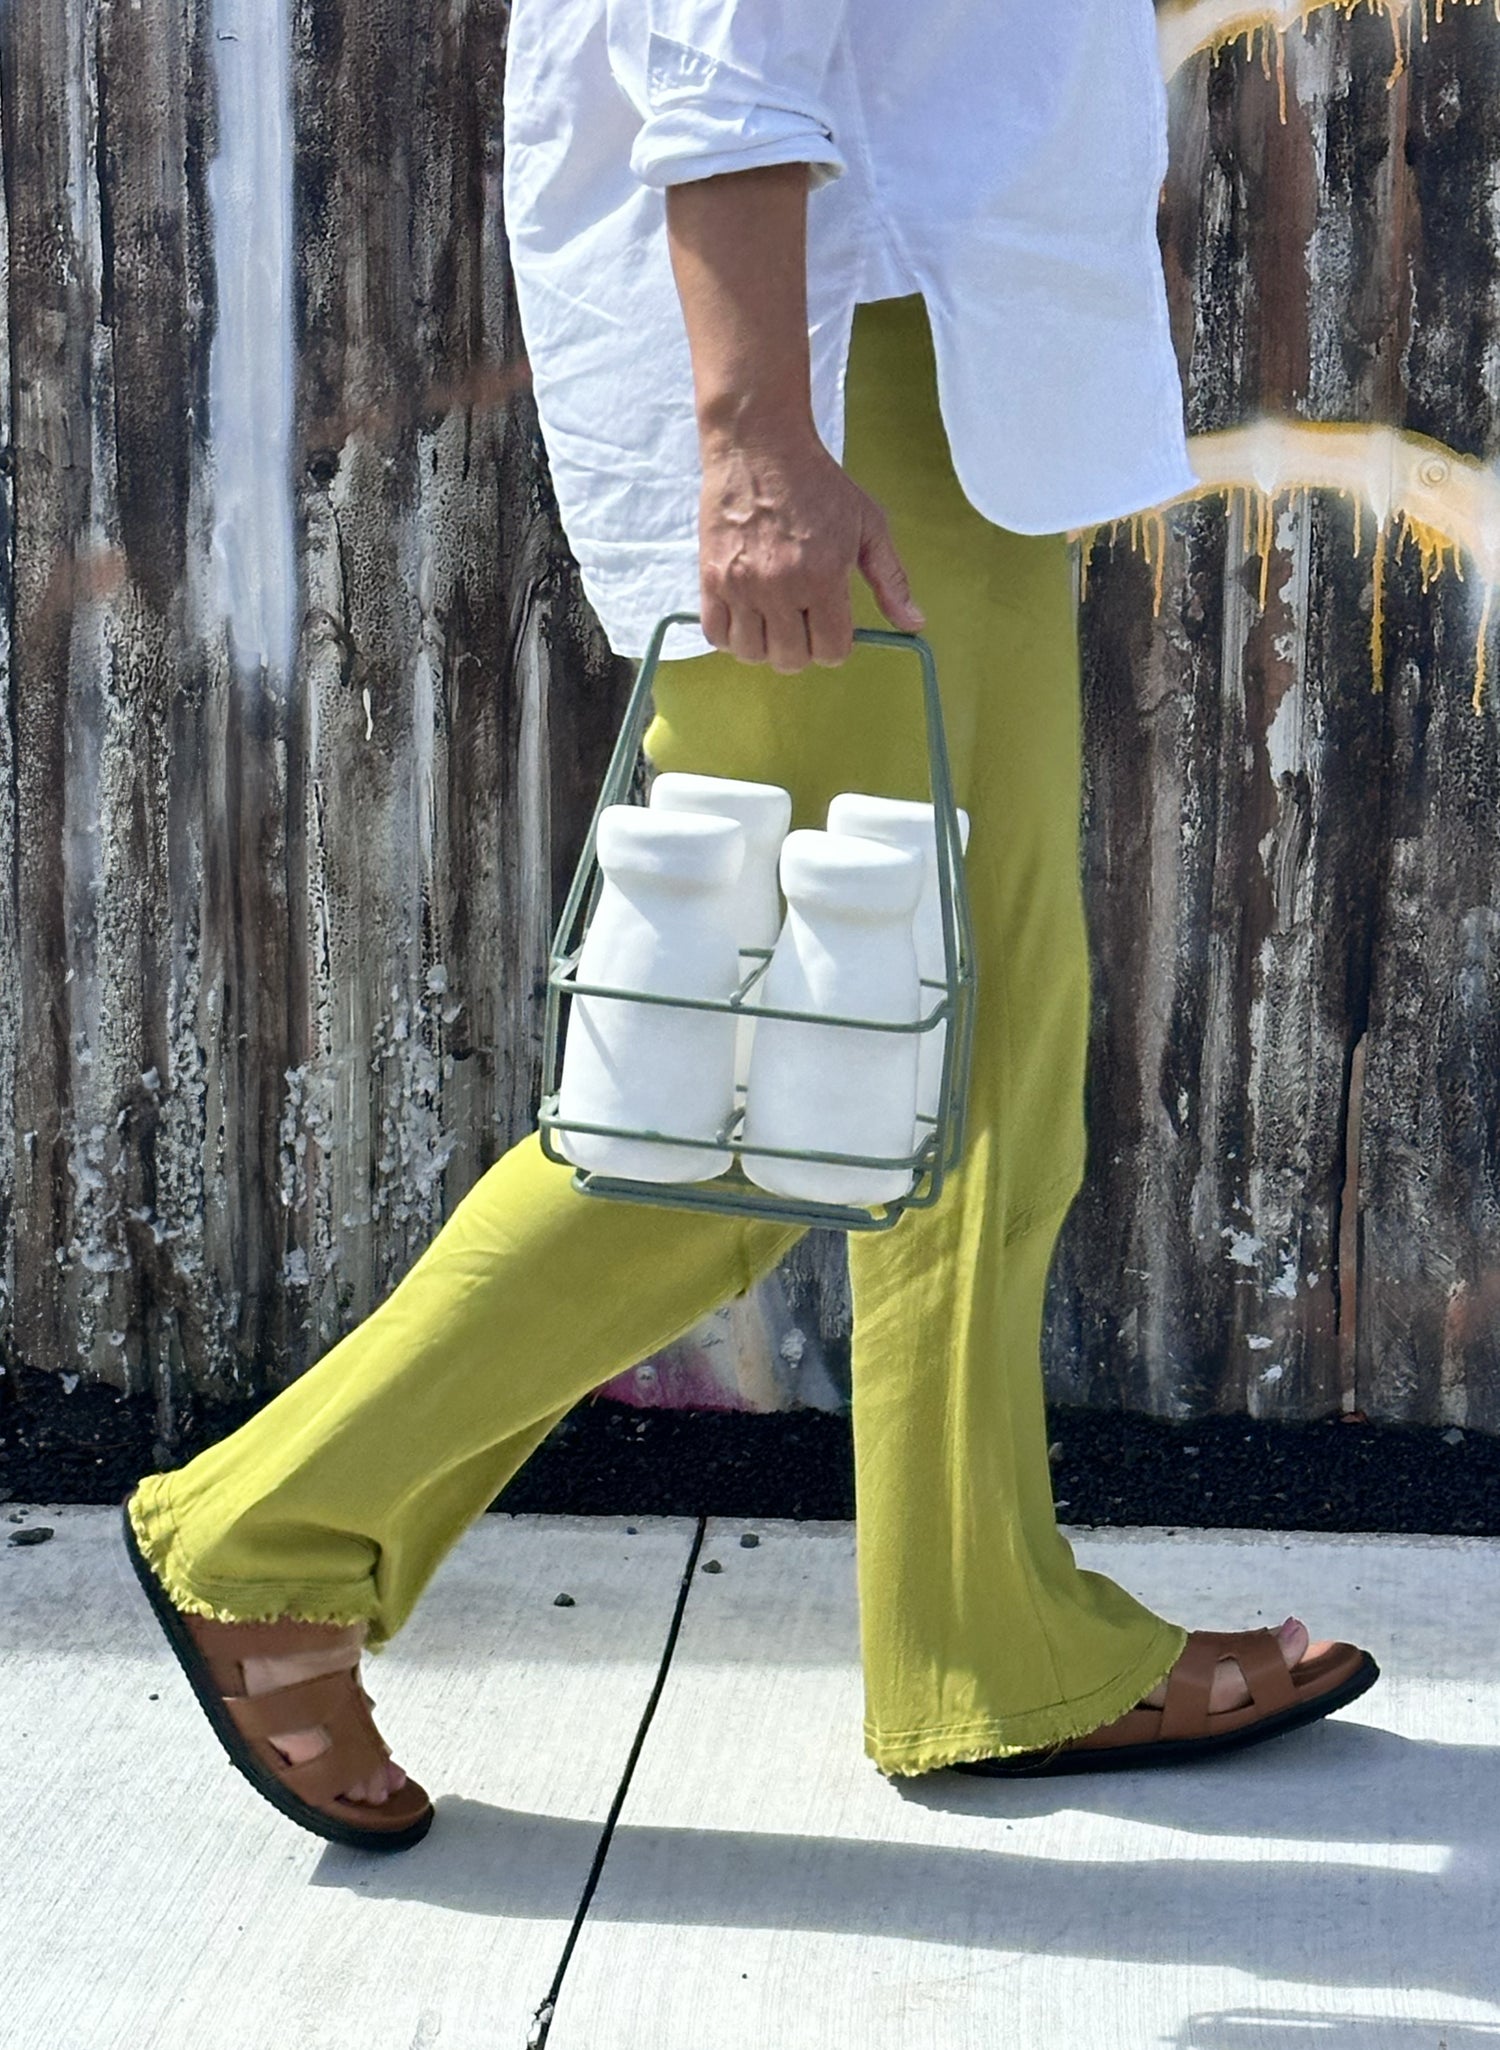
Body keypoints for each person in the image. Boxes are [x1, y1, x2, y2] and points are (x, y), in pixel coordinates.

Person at [122, 0, 1379, 1852]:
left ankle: (985, 1633)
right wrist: (759, 441)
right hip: (846, 356)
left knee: (969, 1061)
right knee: (769, 1087)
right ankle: (273, 1531)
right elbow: (719, 39)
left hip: (927, 349)